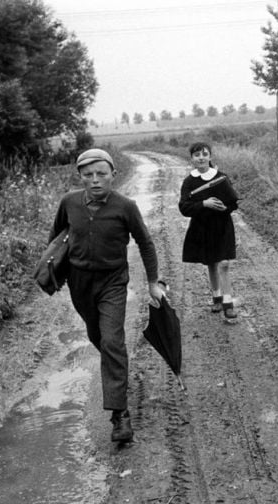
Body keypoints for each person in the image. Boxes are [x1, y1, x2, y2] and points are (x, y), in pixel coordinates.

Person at [48, 148, 165, 443]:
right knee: (96, 336)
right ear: (80, 177)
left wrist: (153, 282)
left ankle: (119, 415)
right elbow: (57, 238)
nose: (95, 180)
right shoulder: (69, 203)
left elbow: (146, 243)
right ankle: (118, 368)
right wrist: (52, 270)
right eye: (88, 175)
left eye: (102, 174)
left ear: (113, 174)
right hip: (80, 282)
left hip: (113, 281)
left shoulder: (125, 206)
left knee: (112, 341)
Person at [179, 142, 240, 319]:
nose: (201, 158)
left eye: (204, 154)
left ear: (210, 157)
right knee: (211, 263)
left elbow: (233, 202)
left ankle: (228, 303)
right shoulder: (189, 181)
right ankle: (217, 298)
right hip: (202, 228)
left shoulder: (221, 177)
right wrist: (203, 204)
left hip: (222, 226)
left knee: (224, 263)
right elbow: (184, 207)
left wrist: (224, 208)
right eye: (197, 155)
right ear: (192, 159)